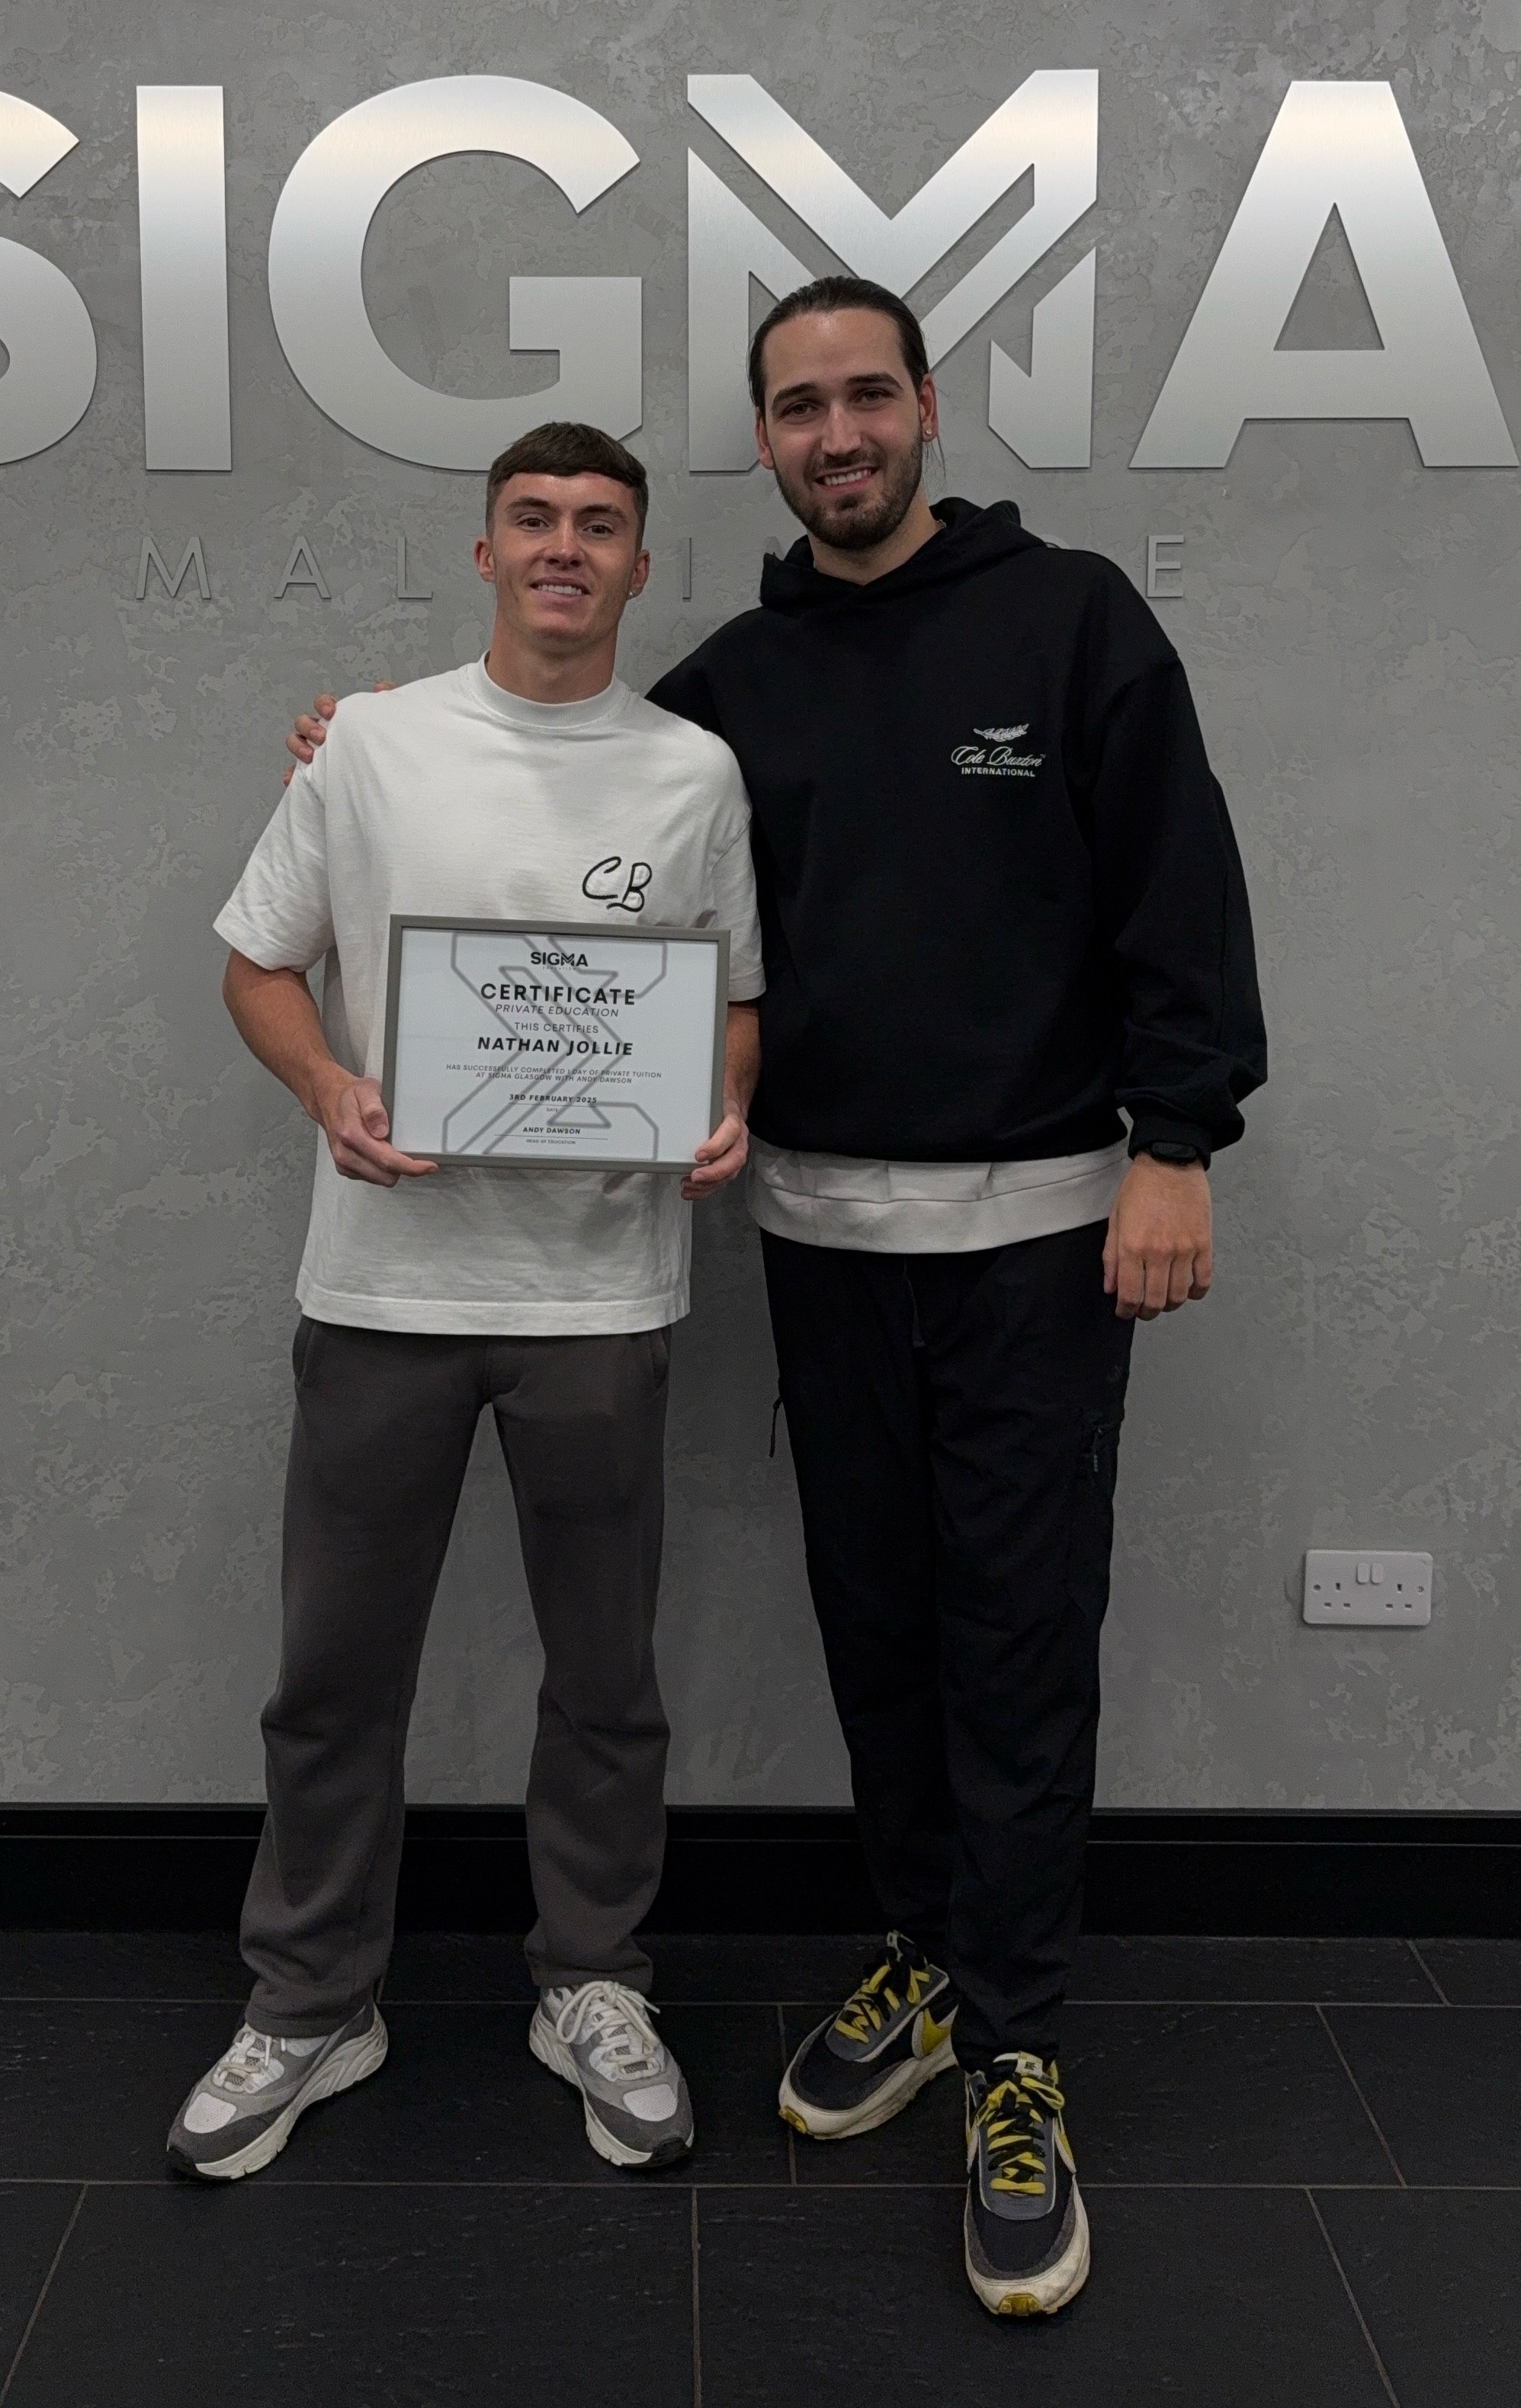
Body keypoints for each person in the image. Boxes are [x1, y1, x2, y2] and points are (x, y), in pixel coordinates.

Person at [284, 278, 1265, 2319]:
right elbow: (574, 798)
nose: (834, 431)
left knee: (1013, 1636)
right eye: (796, 407)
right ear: (767, 443)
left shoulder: (1072, 620)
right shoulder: (732, 684)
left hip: (1042, 1240)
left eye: (862, 396)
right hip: (819, 1246)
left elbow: (1177, 878)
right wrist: (360, 753)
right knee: (881, 1627)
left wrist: (1178, 1138)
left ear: (923, 409)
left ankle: (1012, 2054)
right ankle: (922, 1949)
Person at [170, 419, 762, 2186]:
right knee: (336, 1674)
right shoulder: (367, 745)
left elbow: (730, 1002)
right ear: (485, 551)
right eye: (535, 519)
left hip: (601, 1288)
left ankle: (590, 1977)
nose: (566, 547)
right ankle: (310, 2000)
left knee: (604, 1675)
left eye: (600, 524)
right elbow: (256, 963)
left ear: (641, 567)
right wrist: (329, 1093)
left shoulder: (695, 774)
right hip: (380, 1287)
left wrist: (720, 1104)